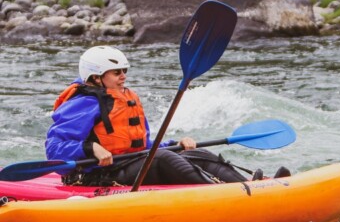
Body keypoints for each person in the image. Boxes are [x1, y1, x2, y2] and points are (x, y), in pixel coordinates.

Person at [46, 46, 261, 186]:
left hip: (127, 163)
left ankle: (250, 184)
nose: (124, 76)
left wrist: (174, 143)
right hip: (97, 175)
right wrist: (89, 148)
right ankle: (223, 193)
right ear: (96, 77)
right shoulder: (82, 103)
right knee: (161, 158)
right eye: (117, 72)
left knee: (197, 154)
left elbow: (142, 145)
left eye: (125, 71)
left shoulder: (126, 98)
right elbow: (54, 149)